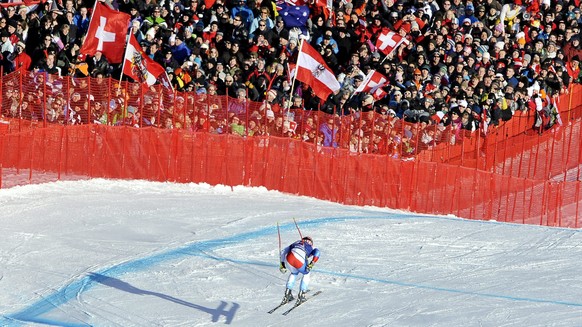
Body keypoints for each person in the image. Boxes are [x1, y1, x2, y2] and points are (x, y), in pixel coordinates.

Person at [279, 236, 320, 304]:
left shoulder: (295, 243)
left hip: (289, 258)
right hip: (299, 258)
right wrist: (311, 264)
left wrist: (282, 264)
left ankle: (287, 294)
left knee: (294, 273)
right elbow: (317, 252)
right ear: (310, 242)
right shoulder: (311, 246)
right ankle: (302, 295)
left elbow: (283, 252)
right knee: (306, 273)